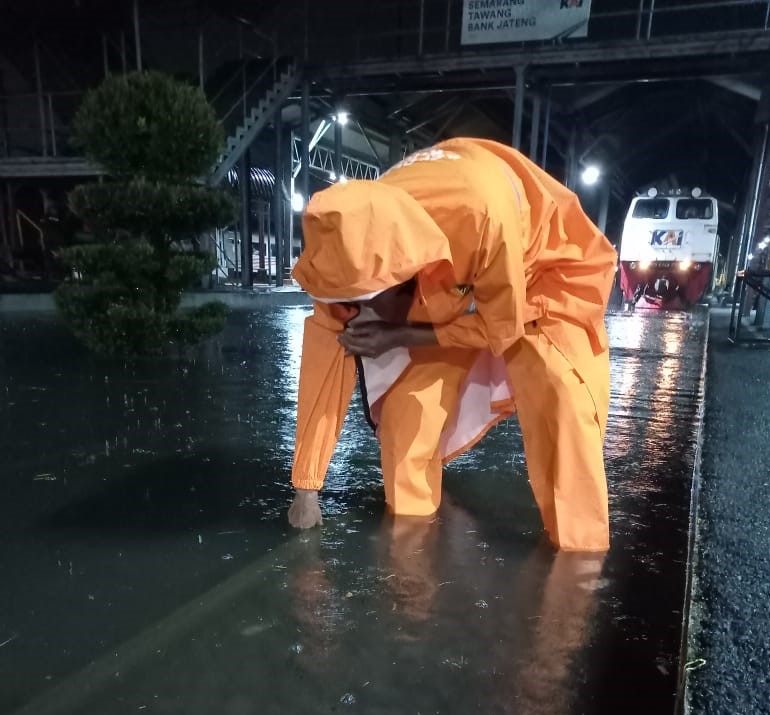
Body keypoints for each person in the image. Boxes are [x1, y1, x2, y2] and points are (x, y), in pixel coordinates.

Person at [287, 137, 617, 551]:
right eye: (346, 304)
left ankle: (579, 565)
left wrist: (404, 334)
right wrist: (307, 488)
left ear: (403, 276)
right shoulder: (345, 250)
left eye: (363, 305)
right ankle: (410, 550)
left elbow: (503, 328)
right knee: (408, 414)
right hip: (450, 288)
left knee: (563, 402)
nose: (354, 316)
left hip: (546, 272)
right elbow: (325, 361)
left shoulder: (480, 216)